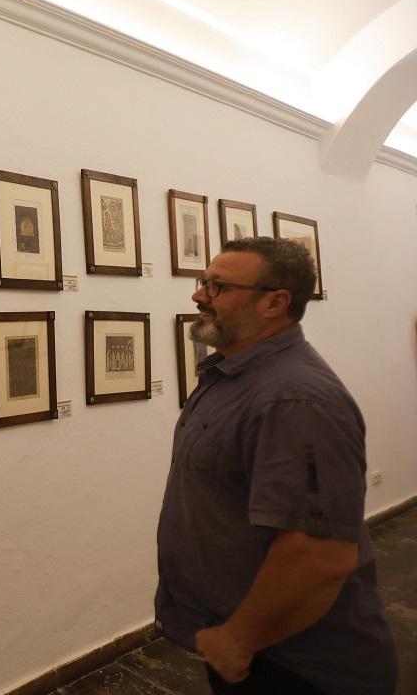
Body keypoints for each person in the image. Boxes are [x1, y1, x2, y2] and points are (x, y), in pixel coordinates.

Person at [155, 237, 397, 694]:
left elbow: (319, 552)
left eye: (219, 287)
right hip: (259, 646)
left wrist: (237, 639)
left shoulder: (294, 399)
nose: (198, 294)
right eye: (203, 280)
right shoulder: (235, 373)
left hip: (297, 665)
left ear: (275, 303)